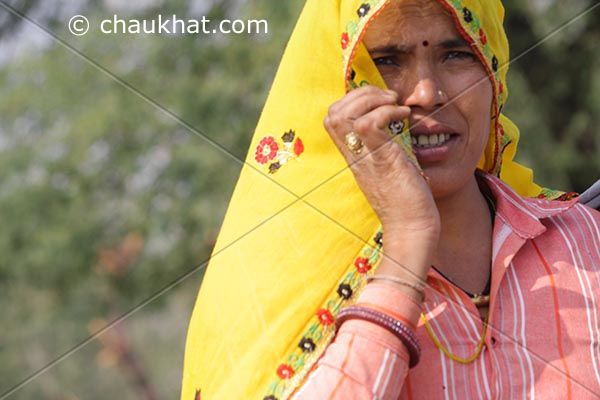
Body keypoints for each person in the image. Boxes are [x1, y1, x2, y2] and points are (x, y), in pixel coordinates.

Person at [180, 0, 600, 399]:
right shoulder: (282, 292)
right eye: (386, 61)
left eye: (455, 55)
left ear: (494, 74)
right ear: (338, 88)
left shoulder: (585, 241)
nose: (426, 93)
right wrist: (407, 240)